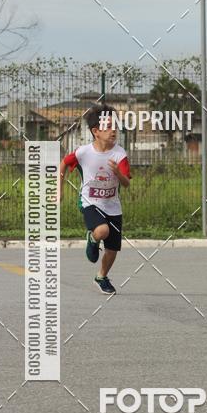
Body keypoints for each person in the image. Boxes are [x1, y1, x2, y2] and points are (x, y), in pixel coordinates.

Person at [58, 104, 131, 295]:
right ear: (96, 132)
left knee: (112, 249)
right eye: (108, 127)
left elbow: (126, 183)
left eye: (114, 126)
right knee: (102, 230)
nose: (113, 130)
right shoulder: (84, 152)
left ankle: (101, 277)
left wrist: (118, 173)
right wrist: (59, 191)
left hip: (113, 206)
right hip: (90, 202)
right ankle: (92, 238)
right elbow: (63, 164)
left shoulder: (120, 154)